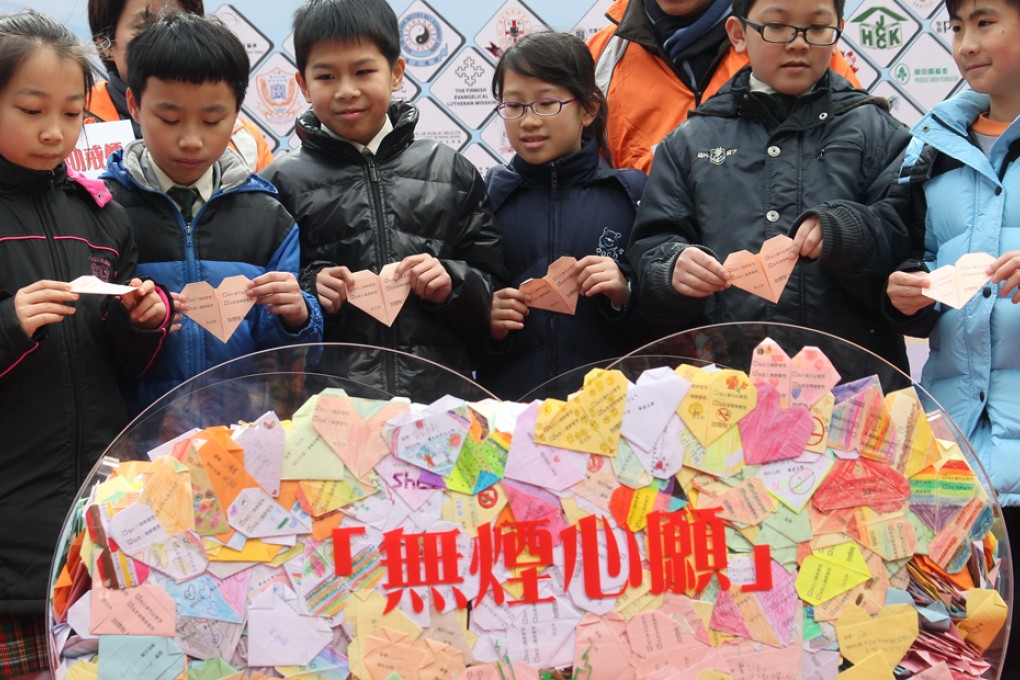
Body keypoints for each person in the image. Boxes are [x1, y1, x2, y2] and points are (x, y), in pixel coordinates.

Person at [0, 11, 171, 678]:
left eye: (73, 112)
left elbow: (123, 367)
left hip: (103, 521)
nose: (55, 130)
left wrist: (141, 321)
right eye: (31, 108)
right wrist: (10, 322)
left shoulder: (103, 214)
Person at [627, 0, 915, 371]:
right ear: (737, 34)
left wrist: (846, 232)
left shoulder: (881, 133)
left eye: (816, 28)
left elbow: (908, 250)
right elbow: (652, 254)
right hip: (728, 394)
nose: (798, 43)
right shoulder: (688, 143)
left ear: (838, 30)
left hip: (851, 393)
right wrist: (671, 269)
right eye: (776, 27)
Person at [260, 0, 505, 399]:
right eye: (325, 76)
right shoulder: (279, 183)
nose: (346, 91)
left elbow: (494, 292)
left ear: (395, 73)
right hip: (330, 413)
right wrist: (310, 289)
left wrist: (451, 283)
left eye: (363, 71)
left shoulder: (451, 171)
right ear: (302, 85)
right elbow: (264, 300)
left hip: (440, 405)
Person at [885, 0, 1020, 669]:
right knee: (962, 655)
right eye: (956, 27)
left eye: (986, 22)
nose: (966, 44)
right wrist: (906, 295)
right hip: (952, 460)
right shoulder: (927, 147)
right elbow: (914, 266)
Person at [103, 12, 323, 415]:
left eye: (212, 120)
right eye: (169, 119)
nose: (191, 140)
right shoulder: (102, 211)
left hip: (240, 445)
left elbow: (289, 364)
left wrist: (297, 317)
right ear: (134, 104)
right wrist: (134, 326)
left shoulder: (267, 218)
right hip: (134, 448)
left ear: (237, 111)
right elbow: (86, 350)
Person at [478, 31, 647, 399]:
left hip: (610, 417)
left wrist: (625, 293)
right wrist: (484, 317)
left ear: (588, 108)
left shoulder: (631, 194)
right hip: (509, 416)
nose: (529, 121)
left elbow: (664, 318)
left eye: (546, 104)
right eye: (514, 105)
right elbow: (456, 323)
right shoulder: (486, 198)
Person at [588, 0, 861, 173]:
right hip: (649, 258)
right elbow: (581, 184)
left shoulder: (803, 51)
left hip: (785, 257)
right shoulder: (600, 56)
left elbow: (859, 161)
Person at [85, 0, 275, 172]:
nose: (163, 37)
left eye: (174, 21)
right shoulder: (73, 123)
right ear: (105, 44)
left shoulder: (245, 141)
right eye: (144, 27)